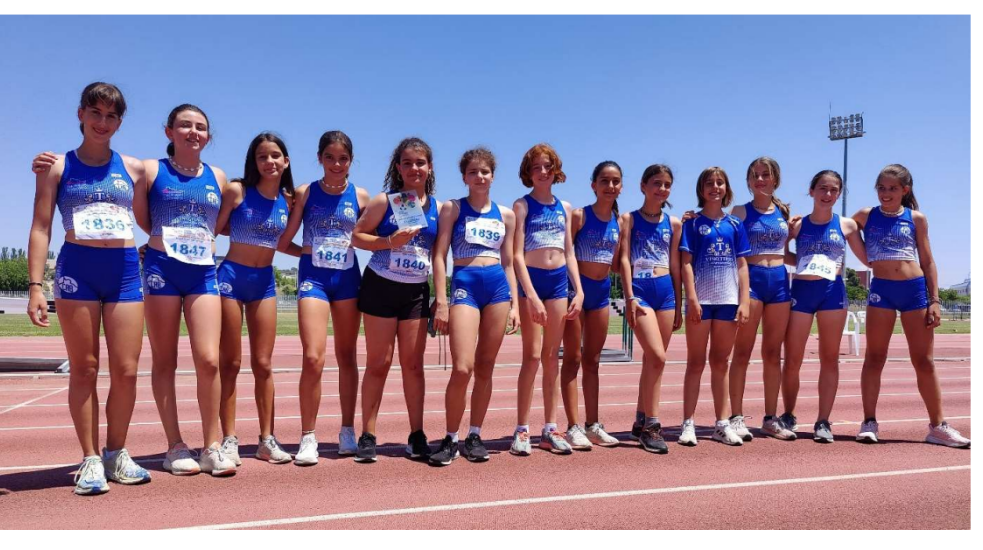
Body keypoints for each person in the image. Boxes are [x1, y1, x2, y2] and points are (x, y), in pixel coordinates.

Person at [27, 82, 152, 495]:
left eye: (111, 116)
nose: (102, 122)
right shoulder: (56, 167)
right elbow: (41, 227)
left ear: (120, 122)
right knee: (85, 368)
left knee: (127, 370)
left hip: (124, 271)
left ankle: (116, 452)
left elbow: (158, 211)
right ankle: (91, 458)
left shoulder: (134, 169)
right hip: (77, 270)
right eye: (95, 113)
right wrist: (35, 286)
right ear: (80, 114)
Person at [142, 104, 236, 476]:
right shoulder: (151, 170)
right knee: (165, 359)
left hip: (202, 273)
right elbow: (141, 216)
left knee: (209, 360)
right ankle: (175, 445)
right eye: (185, 125)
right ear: (169, 132)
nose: (193, 132)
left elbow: (228, 217)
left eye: (200, 127)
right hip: (162, 270)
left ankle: (211, 446)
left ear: (208, 136)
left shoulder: (218, 176)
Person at [853, 165, 970, 448]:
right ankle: (869, 423)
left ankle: (938, 427)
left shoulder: (916, 218)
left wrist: (935, 300)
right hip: (881, 290)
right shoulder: (865, 215)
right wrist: (863, 255)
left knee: (924, 361)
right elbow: (839, 225)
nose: (886, 193)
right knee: (874, 357)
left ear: (905, 190)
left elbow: (928, 260)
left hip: (914, 290)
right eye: (881, 188)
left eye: (892, 188)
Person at [277, 130, 369, 465]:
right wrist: (307, 251)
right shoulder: (306, 192)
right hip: (313, 279)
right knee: (313, 357)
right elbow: (283, 240)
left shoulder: (361, 196)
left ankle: (347, 430)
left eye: (343, 158)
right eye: (329, 157)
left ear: (351, 161)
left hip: (347, 279)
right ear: (320, 158)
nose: (336, 164)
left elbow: (372, 235)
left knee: (347, 355)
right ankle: (308, 436)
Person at [351, 137, 441, 463]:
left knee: (413, 365)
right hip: (381, 286)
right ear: (398, 168)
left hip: (415, 291)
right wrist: (389, 241)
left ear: (429, 167)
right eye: (407, 163)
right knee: (379, 363)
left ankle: (417, 435)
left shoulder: (439, 209)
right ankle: (368, 435)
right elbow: (357, 237)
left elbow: (440, 255)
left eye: (420, 162)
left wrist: (441, 297)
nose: (414, 168)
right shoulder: (385, 201)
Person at [429, 147, 520, 465]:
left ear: (493, 176)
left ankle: (475, 435)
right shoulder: (453, 208)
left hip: (497, 289)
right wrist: (441, 300)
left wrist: (515, 304)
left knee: (486, 366)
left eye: (484, 171)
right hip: (465, 285)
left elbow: (508, 262)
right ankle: (450, 437)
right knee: (462, 367)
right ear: (464, 177)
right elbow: (439, 255)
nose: (479, 176)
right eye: (473, 172)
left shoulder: (506, 215)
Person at [215, 133, 295, 466]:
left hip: (264, 282)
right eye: (262, 156)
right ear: (254, 161)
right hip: (231, 279)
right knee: (230, 363)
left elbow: (284, 243)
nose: (269, 162)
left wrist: (313, 254)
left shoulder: (288, 201)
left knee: (263, 364)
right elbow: (214, 228)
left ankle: (266, 439)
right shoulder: (237, 191)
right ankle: (229, 439)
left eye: (275, 156)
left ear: (286, 161)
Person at [781, 170, 866, 442]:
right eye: (822, 188)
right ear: (812, 191)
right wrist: (800, 255)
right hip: (802, 291)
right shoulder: (798, 225)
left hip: (832, 293)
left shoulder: (847, 225)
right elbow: (782, 253)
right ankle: (789, 414)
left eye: (833, 190)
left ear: (839, 194)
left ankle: (823, 421)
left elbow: (867, 258)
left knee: (829, 358)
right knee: (792, 358)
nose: (827, 194)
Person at [510, 143, 584, 456]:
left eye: (548, 166)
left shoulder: (564, 207)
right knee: (531, 356)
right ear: (528, 172)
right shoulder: (522, 205)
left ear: (556, 170)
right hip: (533, 281)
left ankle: (550, 428)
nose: (543, 172)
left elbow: (569, 251)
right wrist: (530, 296)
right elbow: (516, 255)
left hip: (558, 284)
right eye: (537, 167)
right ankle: (521, 429)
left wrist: (578, 290)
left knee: (552, 357)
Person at [678, 167, 750, 447]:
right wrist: (692, 298)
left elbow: (742, 265)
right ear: (701, 189)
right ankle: (688, 423)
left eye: (720, 183)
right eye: (709, 183)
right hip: (701, 302)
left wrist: (744, 300)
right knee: (695, 363)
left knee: (721, 363)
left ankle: (722, 424)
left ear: (726, 188)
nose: (715, 187)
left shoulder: (734, 224)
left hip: (728, 301)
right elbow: (686, 263)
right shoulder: (692, 223)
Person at [559, 161, 624, 451]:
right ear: (593, 185)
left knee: (593, 361)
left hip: (601, 293)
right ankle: (573, 426)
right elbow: (566, 253)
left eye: (615, 181)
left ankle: (592, 425)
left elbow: (618, 264)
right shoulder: (579, 216)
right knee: (572, 358)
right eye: (604, 181)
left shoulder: (619, 222)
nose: (610, 186)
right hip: (575, 292)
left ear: (621, 186)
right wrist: (575, 291)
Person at [728, 157, 794, 441]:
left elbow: (787, 253)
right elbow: (728, 247)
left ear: (775, 179)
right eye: (754, 175)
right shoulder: (739, 211)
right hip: (751, 282)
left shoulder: (783, 212)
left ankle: (770, 418)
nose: (760, 179)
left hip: (779, 281)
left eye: (765, 174)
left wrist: (818, 261)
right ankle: (736, 417)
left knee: (772, 353)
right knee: (742, 351)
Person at [621, 164, 682, 454]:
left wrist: (679, 304)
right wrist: (629, 297)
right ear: (643, 186)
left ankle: (640, 420)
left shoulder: (674, 224)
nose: (662, 189)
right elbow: (623, 259)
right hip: (641, 292)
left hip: (666, 292)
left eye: (667, 184)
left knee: (652, 361)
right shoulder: (629, 219)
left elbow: (676, 266)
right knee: (658, 357)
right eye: (657, 183)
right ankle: (652, 426)